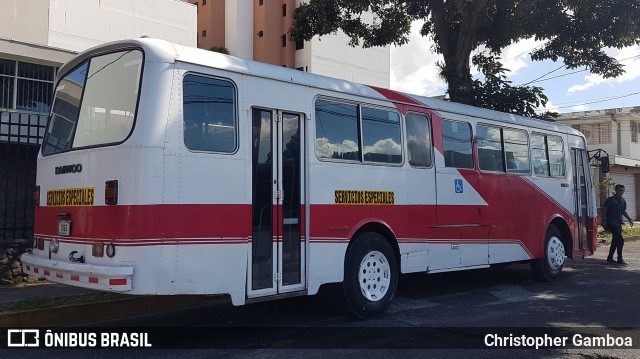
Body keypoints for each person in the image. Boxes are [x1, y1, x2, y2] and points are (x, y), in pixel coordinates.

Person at [602, 184, 634, 265]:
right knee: (620, 240)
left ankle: (610, 257)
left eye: (622, 190)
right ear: (616, 190)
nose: (621, 192)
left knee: (615, 241)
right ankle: (620, 258)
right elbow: (604, 209)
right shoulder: (610, 199)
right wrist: (604, 220)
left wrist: (629, 219)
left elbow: (623, 211)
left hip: (618, 223)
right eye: (619, 190)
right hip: (611, 222)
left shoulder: (623, 200)